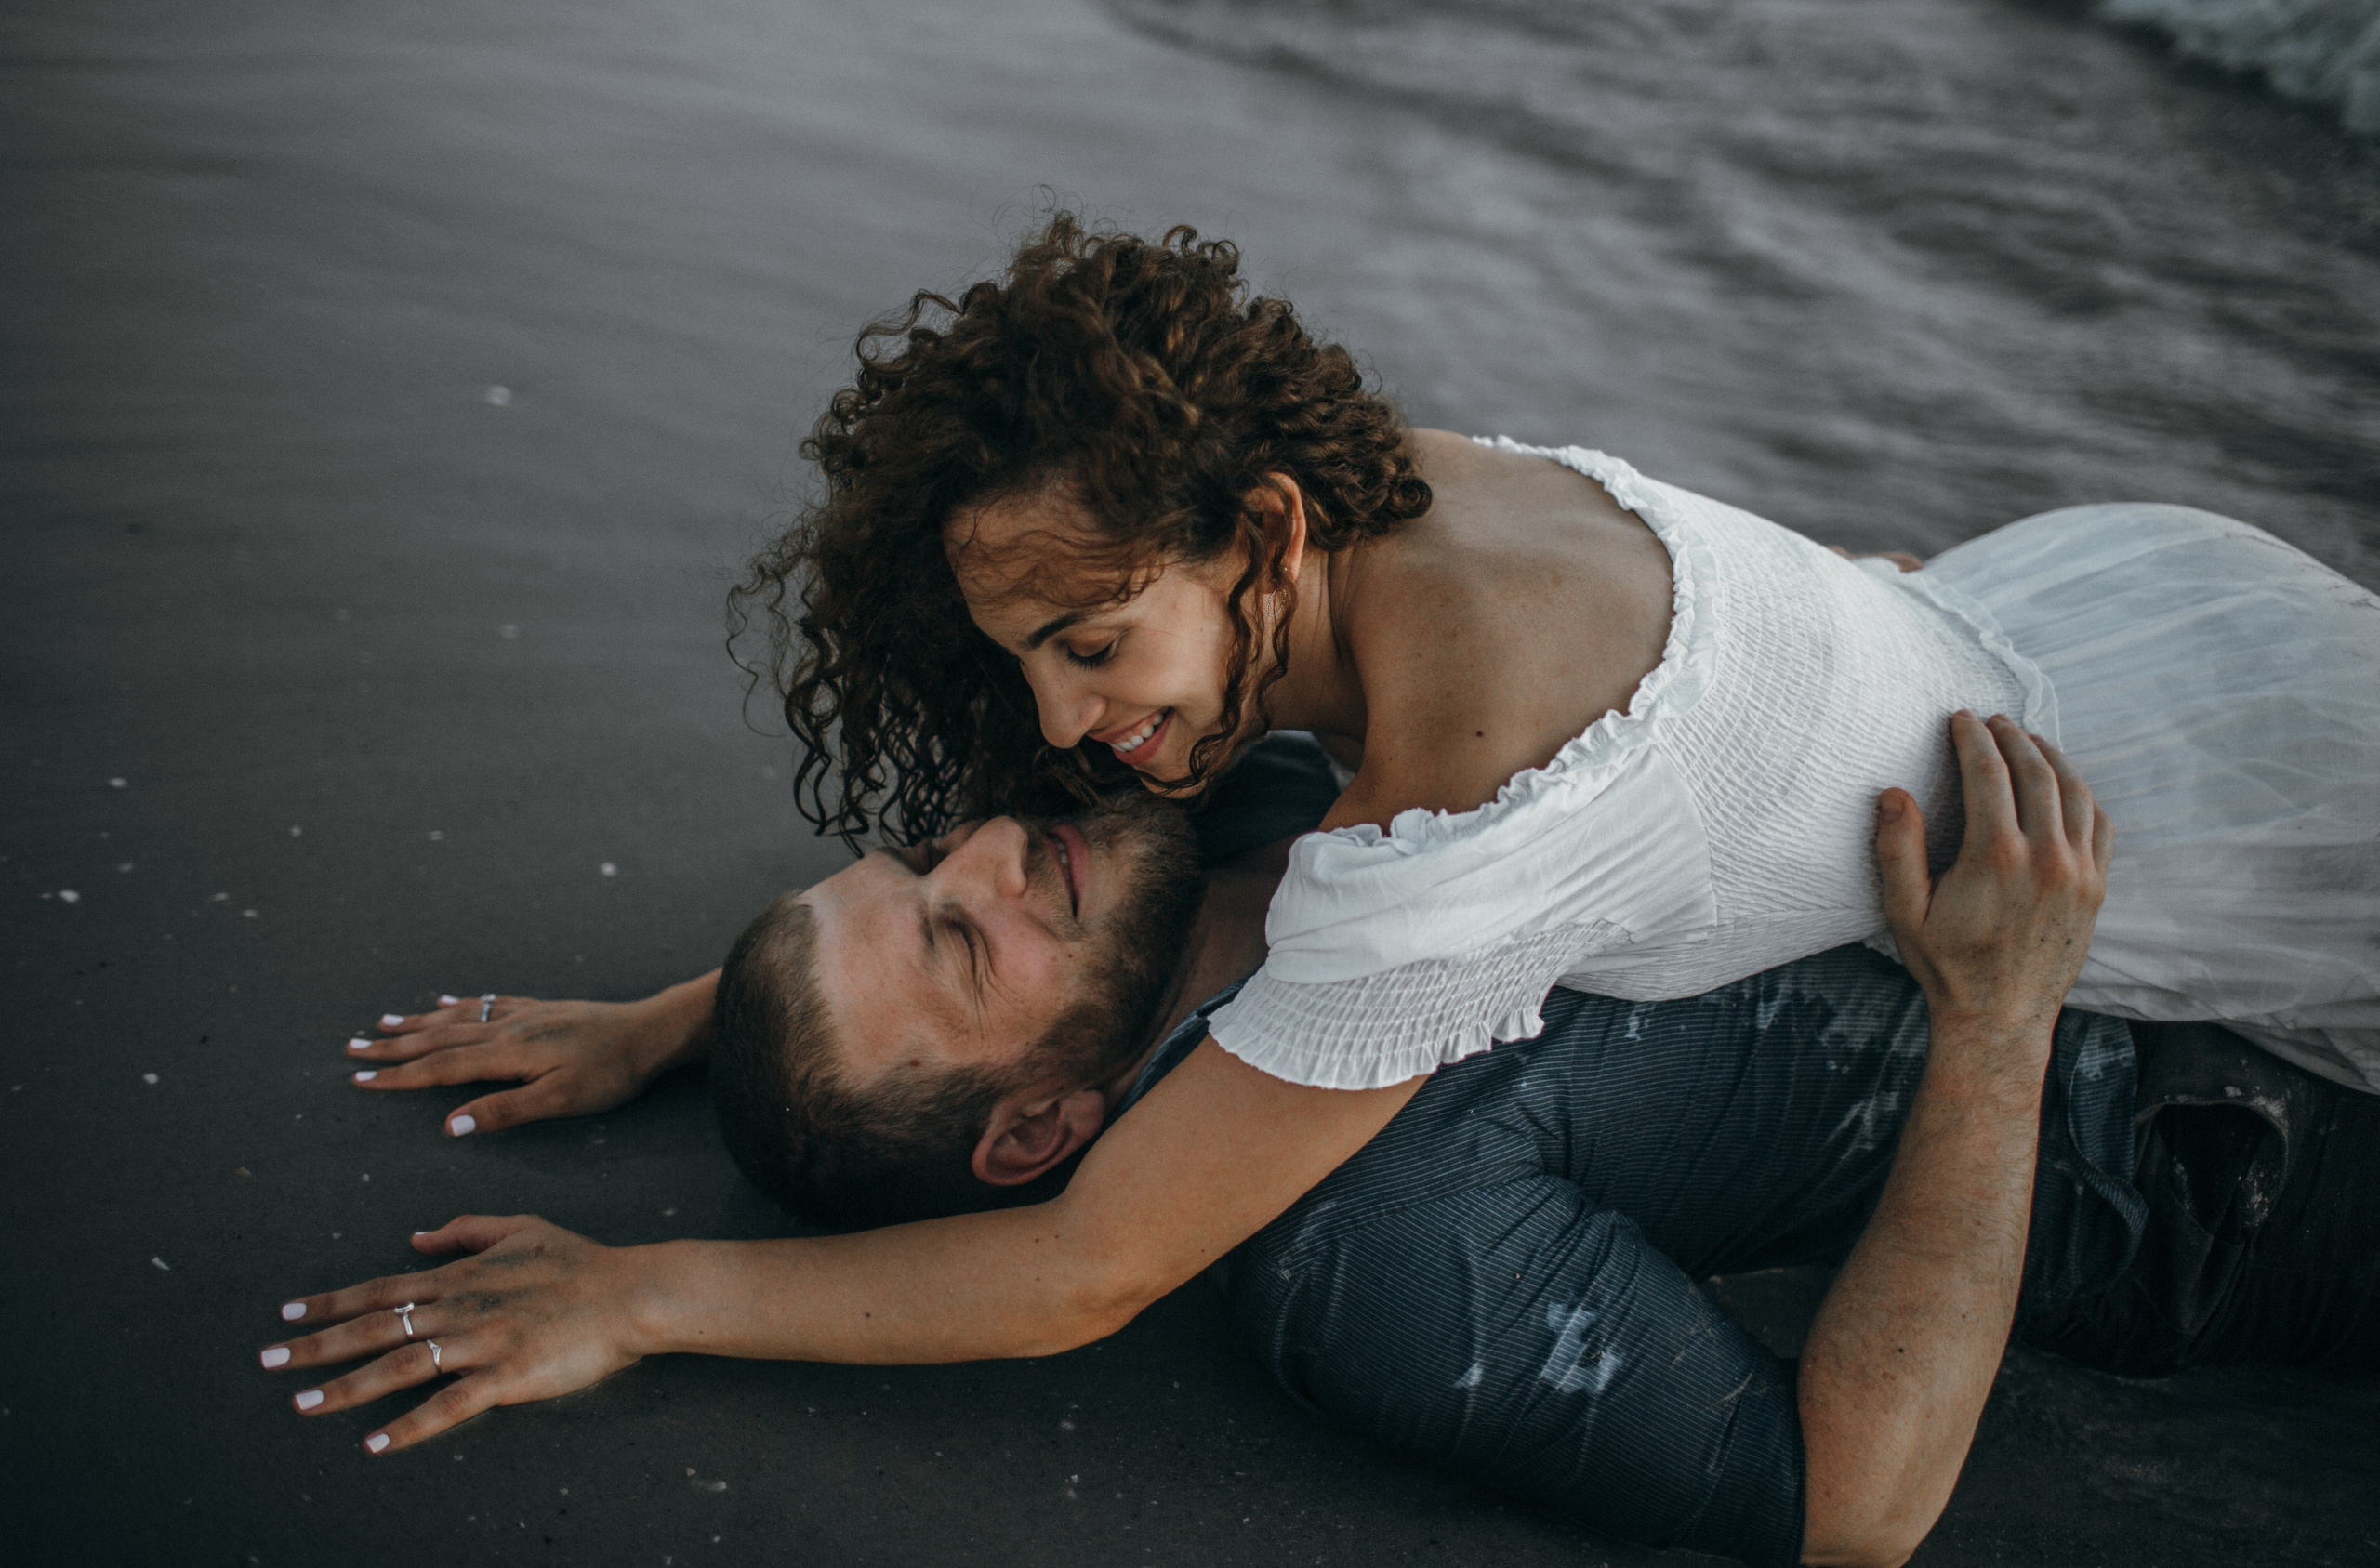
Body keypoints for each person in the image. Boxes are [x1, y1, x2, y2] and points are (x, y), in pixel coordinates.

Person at [258, 716, 2343, 1568]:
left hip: (2171, 786)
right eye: (966, 930)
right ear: (1049, 1128)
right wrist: (1997, 1018)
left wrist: (680, 1022)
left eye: (912, 859)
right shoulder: (1381, 1252)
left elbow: (958, 980)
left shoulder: (1204, 796)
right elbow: (1851, 1501)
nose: (996, 839)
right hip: (2206, 1136)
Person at [758, 216, 2380, 1100]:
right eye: (1028, 656)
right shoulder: (1342, 486)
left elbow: (1095, 1272)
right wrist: (701, 1015)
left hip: (2217, 804)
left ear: (1257, 533)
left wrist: (644, 1296)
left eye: (1091, 645)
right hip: (2095, 583)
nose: (1058, 716)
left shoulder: (1468, 761)